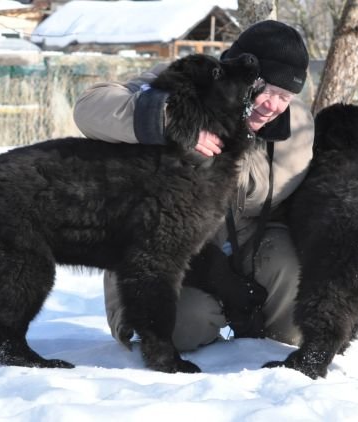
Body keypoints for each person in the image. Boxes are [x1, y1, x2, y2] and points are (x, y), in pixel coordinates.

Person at [72, 20, 314, 352]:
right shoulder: (190, 82)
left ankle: (271, 360)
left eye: (285, 95)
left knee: (298, 277)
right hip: (161, 249)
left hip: (245, 244)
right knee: (184, 323)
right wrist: (173, 122)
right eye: (267, 89)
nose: (273, 105)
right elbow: (89, 108)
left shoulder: (298, 124)